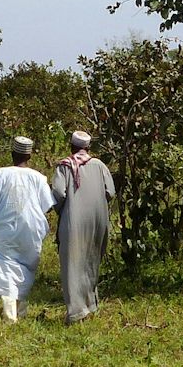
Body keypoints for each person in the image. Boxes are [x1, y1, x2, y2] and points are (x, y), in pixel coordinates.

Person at [0, 135, 53, 322]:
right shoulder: (38, 178)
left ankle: (10, 308)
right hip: (30, 230)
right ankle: (18, 307)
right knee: (24, 267)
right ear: (29, 156)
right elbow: (47, 205)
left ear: (12, 153)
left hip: (4, 228)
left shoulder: (1, 174)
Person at [51, 129, 114, 324]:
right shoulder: (100, 165)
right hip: (98, 222)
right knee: (91, 260)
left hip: (74, 221)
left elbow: (59, 195)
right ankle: (90, 304)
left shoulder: (65, 166)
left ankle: (76, 312)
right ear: (88, 148)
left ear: (71, 146)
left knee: (72, 264)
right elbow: (110, 192)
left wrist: (63, 211)